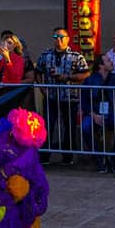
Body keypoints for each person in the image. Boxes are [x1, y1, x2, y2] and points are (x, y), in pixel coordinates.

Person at [35, 27, 90, 165]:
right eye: (55, 37)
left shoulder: (76, 56)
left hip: (69, 97)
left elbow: (85, 74)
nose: (58, 39)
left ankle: (68, 157)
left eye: (61, 37)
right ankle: (45, 156)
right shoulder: (46, 55)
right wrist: (42, 88)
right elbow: (37, 72)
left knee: (69, 126)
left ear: (67, 39)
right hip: (51, 96)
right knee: (47, 126)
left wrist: (67, 77)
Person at [79, 54, 115, 173]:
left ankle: (114, 157)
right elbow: (84, 101)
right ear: (101, 65)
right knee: (85, 127)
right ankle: (98, 158)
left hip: (112, 112)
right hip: (94, 113)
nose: (112, 62)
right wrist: (93, 114)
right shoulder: (90, 80)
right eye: (108, 60)